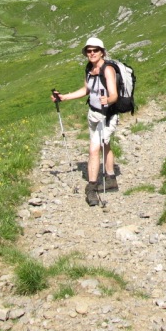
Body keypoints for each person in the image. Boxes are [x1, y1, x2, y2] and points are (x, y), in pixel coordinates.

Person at [51, 37, 120, 206]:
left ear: (102, 52)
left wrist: (108, 100)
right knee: (105, 144)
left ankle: (92, 187)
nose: (91, 53)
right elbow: (86, 90)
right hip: (93, 114)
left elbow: (114, 95)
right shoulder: (89, 69)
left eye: (95, 50)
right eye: (88, 51)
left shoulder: (108, 69)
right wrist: (64, 97)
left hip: (107, 115)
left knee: (93, 149)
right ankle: (111, 179)